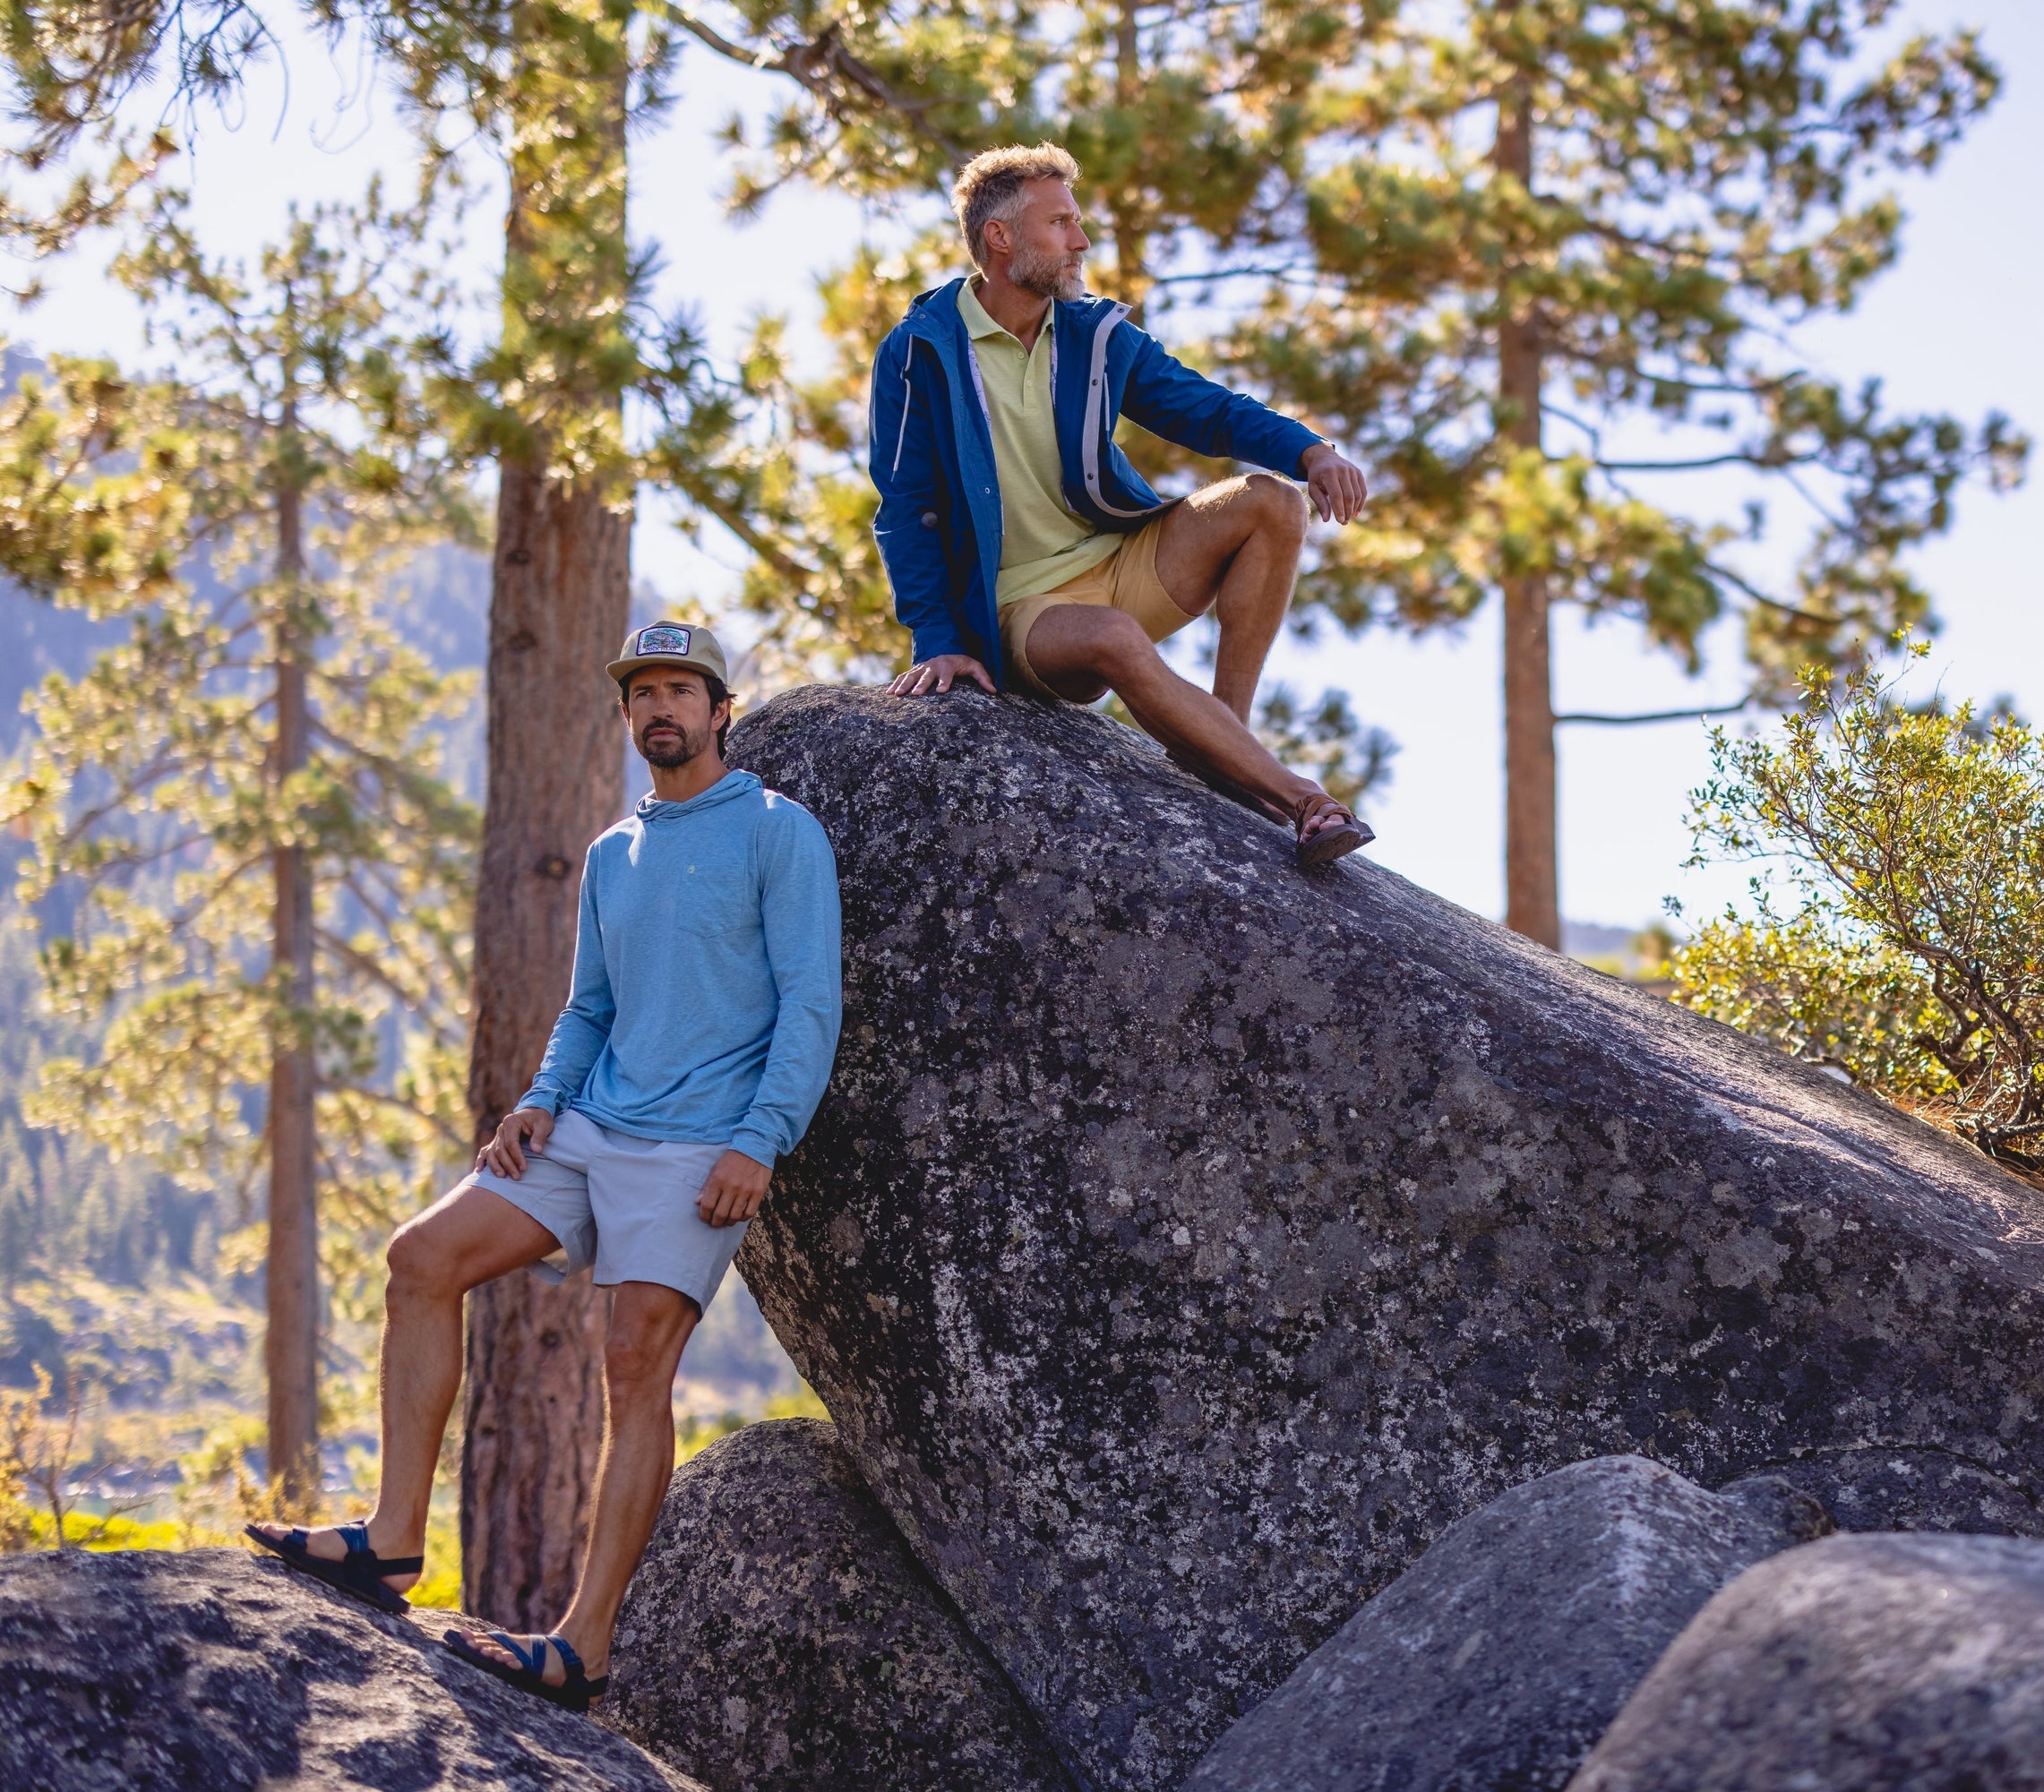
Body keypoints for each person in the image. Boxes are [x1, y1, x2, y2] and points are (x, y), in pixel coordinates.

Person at [247, 621, 842, 1714]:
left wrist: (761, 1139)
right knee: (421, 1259)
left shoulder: (776, 830)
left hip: (700, 1144)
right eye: (642, 693)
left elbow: (811, 1002)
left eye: (681, 690)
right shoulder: (615, 853)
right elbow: (590, 1009)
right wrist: (537, 1101)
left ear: (721, 711)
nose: (660, 708)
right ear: (627, 716)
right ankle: (391, 1540)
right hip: (591, 1125)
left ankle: (582, 1646)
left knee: (633, 1363)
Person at [871, 141, 1378, 866]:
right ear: (1000, 237)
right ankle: (1301, 798)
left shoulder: (1094, 335)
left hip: (1119, 559)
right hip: (1021, 609)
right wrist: (937, 640)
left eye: (1077, 221)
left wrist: (1310, 452)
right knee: (1112, 635)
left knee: (1273, 504)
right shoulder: (919, 351)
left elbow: (1205, 409)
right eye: (1060, 223)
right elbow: (907, 506)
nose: (1081, 241)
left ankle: (1221, 745)